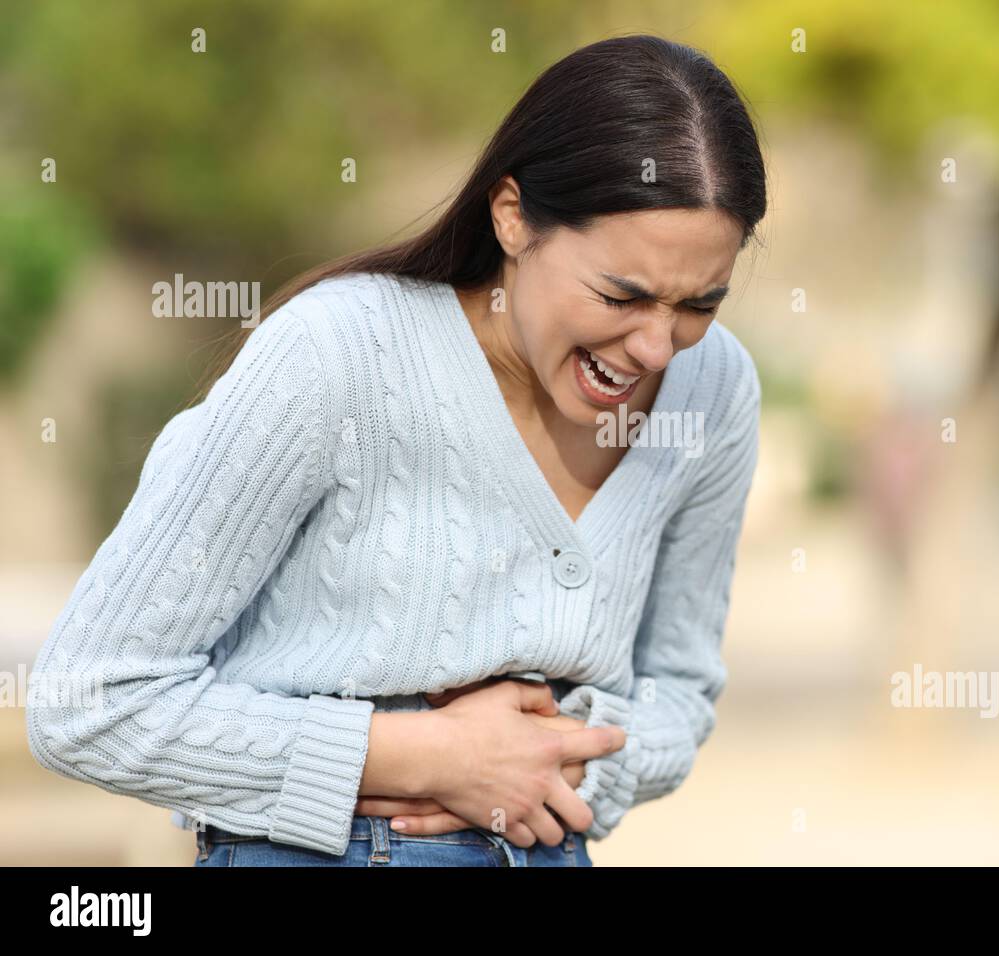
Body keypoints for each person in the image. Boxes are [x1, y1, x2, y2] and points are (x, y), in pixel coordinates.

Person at [26, 33, 767, 867]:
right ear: (512, 216)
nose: (659, 349)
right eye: (621, 295)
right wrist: (418, 756)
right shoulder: (336, 355)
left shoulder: (715, 390)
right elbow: (88, 698)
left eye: (700, 304)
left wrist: (555, 762)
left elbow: (681, 689)